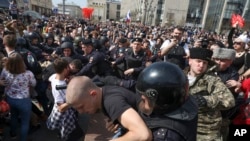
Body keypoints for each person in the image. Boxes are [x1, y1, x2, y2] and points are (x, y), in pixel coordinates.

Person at [66, 76, 152, 141]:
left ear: (93, 94)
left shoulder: (111, 102)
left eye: (81, 107)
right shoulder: (105, 92)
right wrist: (119, 121)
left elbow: (143, 134)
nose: (80, 112)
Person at [136, 62, 198, 141]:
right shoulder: (186, 106)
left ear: (160, 100)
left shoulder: (164, 136)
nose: (141, 98)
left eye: (145, 98)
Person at [187, 47, 235, 140]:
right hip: (181, 123)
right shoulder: (179, 76)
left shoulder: (211, 79)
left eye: (204, 63)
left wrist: (206, 100)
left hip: (205, 129)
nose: (201, 65)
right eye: (198, 61)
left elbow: (229, 101)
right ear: (190, 61)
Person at [0, 53, 36, 141]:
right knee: (25, 122)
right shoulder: (28, 74)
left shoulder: (5, 70)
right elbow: (34, 84)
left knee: (13, 117)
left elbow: (1, 79)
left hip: (10, 99)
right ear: (21, 62)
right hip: (24, 101)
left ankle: (13, 134)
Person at [47, 58, 84, 141]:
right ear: (64, 69)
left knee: (74, 131)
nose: (69, 69)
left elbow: (50, 79)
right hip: (65, 113)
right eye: (67, 67)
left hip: (67, 111)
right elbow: (61, 108)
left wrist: (67, 81)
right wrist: (73, 99)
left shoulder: (54, 76)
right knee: (71, 134)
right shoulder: (59, 87)